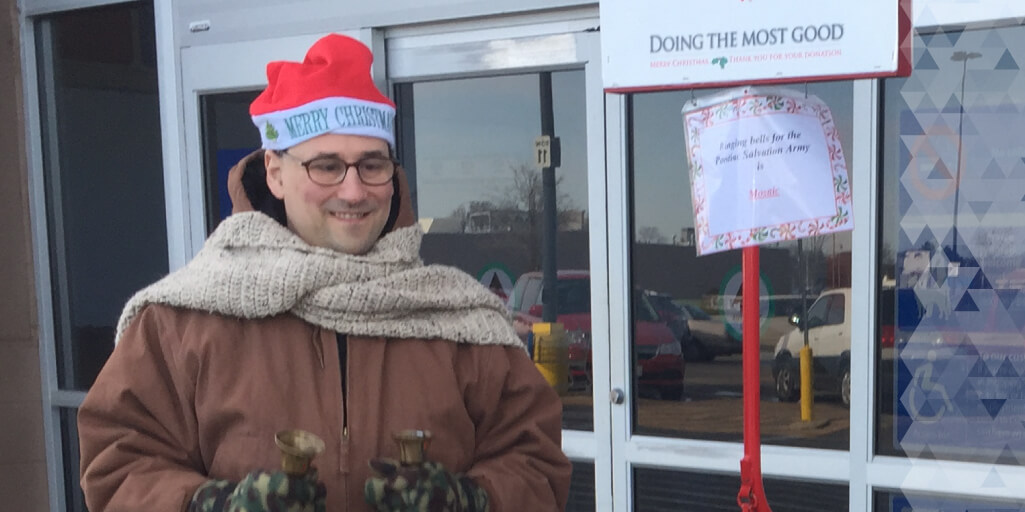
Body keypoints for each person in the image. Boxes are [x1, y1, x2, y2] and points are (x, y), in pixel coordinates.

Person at [78, 33, 571, 512]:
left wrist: (473, 501)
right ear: (275, 171)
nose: (354, 191)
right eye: (327, 166)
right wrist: (208, 505)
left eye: (371, 165)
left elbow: (536, 462)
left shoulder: (460, 319)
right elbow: (118, 461)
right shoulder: (184, 318)